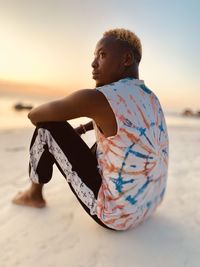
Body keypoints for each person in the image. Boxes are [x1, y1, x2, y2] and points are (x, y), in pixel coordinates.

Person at [12, 28, 169, 231]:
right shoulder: (150, 97)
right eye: (95, 56)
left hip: (116, 217)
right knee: (123, 139)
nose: (94, 63)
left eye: (102, 55)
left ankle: (33, 195)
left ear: (127, 59)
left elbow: (34, 115)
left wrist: (76, 107)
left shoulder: (99, 97)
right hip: (149, 204)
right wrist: (84, 128)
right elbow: (124, 123)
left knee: (47, 128)